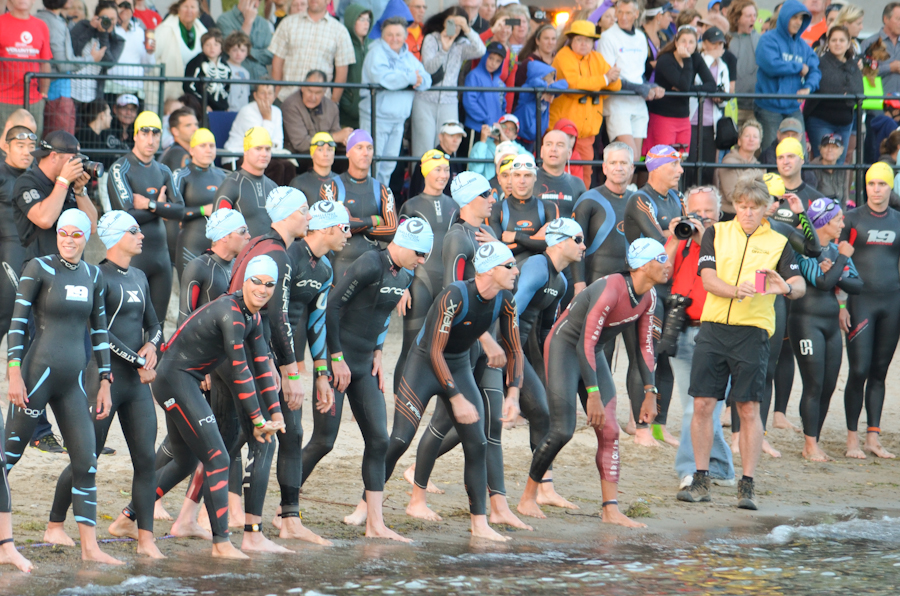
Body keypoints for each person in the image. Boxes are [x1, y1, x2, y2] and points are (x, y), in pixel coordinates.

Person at [344, 241, 521, 542]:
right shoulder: (454, 295)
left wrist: (514, 393)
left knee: (477, 443)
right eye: (509, 265)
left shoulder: (505, 300)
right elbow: (435, 351)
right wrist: (456, 398)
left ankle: (479, 523)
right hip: (424, 365)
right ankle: (365, 504)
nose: (516, 270)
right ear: (490, 270)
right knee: (399, 439)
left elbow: (515, 350)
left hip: (459, 366)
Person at [127, 255, 284, 559]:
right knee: (218, 456)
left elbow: (263, 366)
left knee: (185, 459)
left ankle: (126, 518)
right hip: (174, 379)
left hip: (182, 378)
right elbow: (241, 372)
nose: (262, 289)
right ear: (245, 281)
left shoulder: (253, 316)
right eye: (256, 282)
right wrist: (257, 420)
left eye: (269, 284)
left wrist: (275, 414)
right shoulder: (232, 314)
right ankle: (221, 543)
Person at [517, 238, 667, 525]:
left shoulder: (650, 296)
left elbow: (646, 347)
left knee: (610, 431)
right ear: (643, 266)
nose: (667, 264)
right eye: (661, 259)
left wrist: (650, 391)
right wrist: (593, 394)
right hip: (565, 347)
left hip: (591, 352)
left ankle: (610, 509)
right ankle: (527, 498)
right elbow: (584, 341)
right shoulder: (610, 288)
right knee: (563, 430)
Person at [678, 178, 806, 510]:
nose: (748, 213)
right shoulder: (716, 233)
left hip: (753, 331)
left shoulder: (779, 241)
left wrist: (786, 289)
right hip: (714, 327)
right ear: (735, 206)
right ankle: (701, 478)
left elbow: (799, 283)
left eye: (755, 208)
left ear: (766, 209)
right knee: (703, 405)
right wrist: (735, 291)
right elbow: (707, 279)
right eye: (743, 206)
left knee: (748, 408)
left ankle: (747, 485)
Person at [305, 219, 432, 542]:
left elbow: (384, 314)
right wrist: (334, 359)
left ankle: (375, 523)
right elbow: (331, 309)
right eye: (419, 253)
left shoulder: (404, 275)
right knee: (324, 441)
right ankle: (285, 511)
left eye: (426, 256)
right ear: (402, 243)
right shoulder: (369, 263)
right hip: (339, 363)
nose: (422, 261)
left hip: (364, 367)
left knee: (379, 440)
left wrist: (377, 350)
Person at [5, 209, 120, 564]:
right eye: (63, 234)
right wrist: (12, 373)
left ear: (87, 238)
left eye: (76, 235)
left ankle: (90, 549)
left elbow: (99, 332)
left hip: (72, 384)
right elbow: (17, 322)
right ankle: (4, 545)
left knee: (86, 462)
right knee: (6, 460)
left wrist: (105, 380)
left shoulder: (93, 274)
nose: (68, 241)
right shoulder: (39, 268)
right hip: (35, 378)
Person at [48, 210, 164, 558]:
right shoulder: (96, 275)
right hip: (103, 380)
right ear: (115, 237)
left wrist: (153, 347)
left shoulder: (140, 276)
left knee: (146, 460)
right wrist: (139, 359)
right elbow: (99, 332)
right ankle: (54, 525)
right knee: (88, 458)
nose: (141, 235)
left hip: (137, 386)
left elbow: (155, 324)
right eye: (134, 230)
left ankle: (146, 539)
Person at [269, 200, 348, 539]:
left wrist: (321, 374)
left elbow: (317, 322)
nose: (348, 234)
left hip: (292, 360)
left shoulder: (325, 268)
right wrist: (285, 368)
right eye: (344, 227)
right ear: (327, 228)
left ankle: (289, 519)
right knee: (239, 433)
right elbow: (275, 315)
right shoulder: (290, 257)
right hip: (267, 355)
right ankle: (204, 509)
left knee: (294, 434)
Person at [510, 218, 586, 508]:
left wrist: (549, 373)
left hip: (520, 347)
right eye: (577, 240)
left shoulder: (561, 280)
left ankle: (545, 488)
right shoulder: (536, 267)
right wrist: (511, 355)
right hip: (499, 345)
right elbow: (512, 311)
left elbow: (544, 333)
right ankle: (417, 473)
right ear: (559, 241)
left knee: (543, 414)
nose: (583, 246)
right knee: (461, 421)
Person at [664, 186, 735, 490]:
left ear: (719, 214)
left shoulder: (729, 239)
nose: (702, 217)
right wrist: (674, 238)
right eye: (696, 212)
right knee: (696, 406)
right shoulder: (680, 237)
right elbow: (660, 272)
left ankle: (692, 469)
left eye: (708, 212)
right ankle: (718, 467)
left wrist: (704, 236)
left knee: (705, 407)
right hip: (682, 327)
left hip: (717, 330)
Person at [623, 145, 685, 447]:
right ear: (657, 167)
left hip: (671, 287)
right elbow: (660, 244)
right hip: (646, 289)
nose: (681, 171)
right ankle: (640, 427)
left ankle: (659, 425)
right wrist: (673, 232)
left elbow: (681, 236)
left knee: (664, 358)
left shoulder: (677, 198)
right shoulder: (640, 199)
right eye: (675, 165)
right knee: (644, 357)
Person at [791, 198, 861, 462]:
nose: (843, 224)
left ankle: (814, 440)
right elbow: (821, 283)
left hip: (831, 325)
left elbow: (858, 285)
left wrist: (837, 270)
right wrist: (843, 258)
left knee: (829, 385)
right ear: (822, 222)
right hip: (806, 322)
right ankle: (809, 445)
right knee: (814, 383)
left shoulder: (834, 249)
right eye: (838, 220)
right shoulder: (805, 250)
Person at [839, 163, 900, 460]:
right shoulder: (852, 219)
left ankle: (872, 438)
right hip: (860, 302)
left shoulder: (899, 221)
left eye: (882, 184)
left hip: (892, 304)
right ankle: (852, 439)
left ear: (891, 187)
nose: (876, 189)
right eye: (871, 184)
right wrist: (840, 305)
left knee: (879, 372)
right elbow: (837, 265)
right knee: (859, 370)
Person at [108, 110, 184, 329]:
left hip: (161, 260)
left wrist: (150, 205)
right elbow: (126, 216)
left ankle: (154, 364)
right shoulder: (120, 168)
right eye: (145, 133)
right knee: (128, 327)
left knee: (156, 330)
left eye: (156, 134)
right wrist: (161, 208)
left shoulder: (164, 170)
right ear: (135, 135)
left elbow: (179, 210)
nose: (150, 140)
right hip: (132, 260)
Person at [548, 20, 621, 188]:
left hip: (587, 134)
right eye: (579, 39)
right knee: (558, 171)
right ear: (571, 40)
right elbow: (574, 84)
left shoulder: (597, 57)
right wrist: (604, 79)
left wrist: (609, 78)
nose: (583, 44)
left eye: (588, 40)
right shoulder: (563, 56)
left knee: (585, 174)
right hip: (562, 133)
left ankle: (582, 209)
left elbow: (616, 84)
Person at [360, 16, 432, 186]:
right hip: (375, 119)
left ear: (405, 35)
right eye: (389, 34)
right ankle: (366, 205)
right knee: (369, 165)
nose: (394, 39)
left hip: (398, 121)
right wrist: (410, 78)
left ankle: (379, 204)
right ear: (382, 36)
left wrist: (413, 79)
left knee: (388, 167)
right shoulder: (375, 53)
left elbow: (426, 80)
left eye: (398, 34)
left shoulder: (408, 57)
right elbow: (384, 79)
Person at [412, 6, 486, 160]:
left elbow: (481, 50)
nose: (454, 28)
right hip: (425, 101)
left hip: (449, 102)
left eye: (458, 24)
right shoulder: (432, 38)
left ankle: (444, 183)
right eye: (451, 23)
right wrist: (443, 50)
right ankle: (419, 183)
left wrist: (467, 29)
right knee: (423, 150)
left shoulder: (462, 43)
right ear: (444, 22)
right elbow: (429, 68)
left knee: (447, 149)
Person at [13, 130, 99, 264]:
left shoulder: (71, 183)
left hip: (73, 269)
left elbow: (92, 227)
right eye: (73, 159)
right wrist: (64, 181)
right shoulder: (26, 182)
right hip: (41, 269)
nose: (78, 163)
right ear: (53, 156)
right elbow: (45, 219)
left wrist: (80, 190)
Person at [326, 130, 398, 280]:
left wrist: (352, 223)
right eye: (359, 147)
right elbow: (332, 226)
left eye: (369, 148)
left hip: (373, 265)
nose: (365, 153)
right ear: (348, 152)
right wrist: (375, 220)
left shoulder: (383, 190)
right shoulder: (332, 187)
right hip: (340, 264)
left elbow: (392, 231)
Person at [598, 0, 665, 159]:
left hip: (638, 104)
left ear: (636, 14)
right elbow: (611, 77)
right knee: (629, 157)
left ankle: (630, 185)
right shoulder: (607, 37)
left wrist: (652, 86)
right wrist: (642, 89)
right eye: (620, 12)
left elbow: (638, 74)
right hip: (617, 104)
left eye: (628, 13)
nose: (623, 17)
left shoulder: (641, 37)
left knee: (635, 161)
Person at [754, 0, 821, 150]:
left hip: (793, 107)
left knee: (799, 153)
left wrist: (808, 87)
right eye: (794, 17)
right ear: (784, 17)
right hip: (769, 106)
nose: (798, 22)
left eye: (801, 18)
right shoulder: (767, 39)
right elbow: (771, 65)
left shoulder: (803, 46)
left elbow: (815, 70)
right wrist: (798, 67)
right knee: (770, 154)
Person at [572, 142, 635, 291]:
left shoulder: (638, 201)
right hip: (595, 283)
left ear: (632, 168)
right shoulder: (589, 200)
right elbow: (574, 245)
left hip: (631, 285)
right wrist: (578, 283)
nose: (618, 168)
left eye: (623, 163)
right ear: (605, 168)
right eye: (613, 163)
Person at [645, 26, 716, 157]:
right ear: (676, 42)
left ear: (696, 44)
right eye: (683, 41)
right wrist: (687, 60)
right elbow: (683, 86)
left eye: (691, 42)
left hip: (683, 118)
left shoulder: (696, 58)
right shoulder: (666, 60)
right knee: (664, 159)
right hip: (663, 117)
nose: (687, 45)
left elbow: (711, 85)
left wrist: (690, 89)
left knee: (681, 159)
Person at [268, 0, 355, 105]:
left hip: (321, 103)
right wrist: (276, 95)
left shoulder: (340, 31)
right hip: (287, 99)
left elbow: (342, 72)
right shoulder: (287, 23)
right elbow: (277, 62)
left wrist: (333, 103)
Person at [802, 24, 863, 164]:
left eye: (842, 40)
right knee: (822, 161)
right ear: (828, 43)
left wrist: (845, 92)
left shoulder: (854, 65)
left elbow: (859, 92)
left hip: (845, 122)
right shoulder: (820, 63)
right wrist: (844, 92)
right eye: (834, 40)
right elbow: (824, 87)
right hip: (821, 120)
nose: (837, 43)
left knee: (839, 164)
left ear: (849, 44)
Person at [0, 123, 34, 353]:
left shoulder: (36, 177)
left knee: (29, 325)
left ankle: (20, 384)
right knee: (4, 318)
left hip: (32, 257)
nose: (26, 152)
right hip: (8, 256)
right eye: (20, 145)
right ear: (6, 146)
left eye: (31, 147)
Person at [173, 128, 225, 278]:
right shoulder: (182, 175)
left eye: (212, 146)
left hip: (219, 248)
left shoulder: (221, 176)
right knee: (190, 298)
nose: (208, 150)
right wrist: (203, 210)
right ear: (191, 150)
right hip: (191, 245)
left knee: (216, 297)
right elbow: (173, 212)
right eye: (203, 146)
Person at [488, 154, 559, 264]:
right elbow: (496, 253)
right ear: (511, 178)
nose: (522, 181)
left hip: (542, 273)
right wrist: (535, 239)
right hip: (508, 275)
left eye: (527, 175)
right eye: (517, 175)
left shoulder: (549, 207)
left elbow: (553, 244)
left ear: (535, 177)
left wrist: (516, 236)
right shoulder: (496, 209)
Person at [686, 26, 731, 187]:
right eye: (714, 43)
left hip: (711, 123)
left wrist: (720, 98)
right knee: (689, 162)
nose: (718, 48)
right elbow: (694, 84)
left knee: (706, 165)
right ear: (704, 44)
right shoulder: (695, 60)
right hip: (691, 119)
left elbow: (726, 97)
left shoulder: (723, 67)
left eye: (721, 44)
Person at [223, 83, 293, 185]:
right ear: (255, 95)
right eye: (262, 93)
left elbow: (278, 142)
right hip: (237, 156)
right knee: (277, 166)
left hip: (265, 155)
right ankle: (269, 200)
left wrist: (271, 144)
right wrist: (267, 118)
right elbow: (259, 141)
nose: (266, 97)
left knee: (289, 166)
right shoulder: (247, 111)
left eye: (269, 93)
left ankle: (285, 200)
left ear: (274, 96)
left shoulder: (277, 111)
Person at [214, 126, 278, 237]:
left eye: (267, 149)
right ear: (246, 151)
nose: (264, 154)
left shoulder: (273, 187)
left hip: (270, 252)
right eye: (258, 148)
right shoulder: (231, 185)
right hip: (243, 253)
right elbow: (218, 230)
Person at [36, 0, 88, 137]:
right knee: (61, 144)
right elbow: (63, 64)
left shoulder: (39, 18)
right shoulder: (55, 24)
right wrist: (91, 59)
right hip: (58, 94)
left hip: (47, 91)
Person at [0, 0, 52, 133]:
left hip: (33, 100)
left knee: (31, 146)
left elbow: (45, 63)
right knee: (4, 147)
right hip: (3, 99)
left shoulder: (41, 26)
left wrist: (44, 95)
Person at [282, 71, 353, 154]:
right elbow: (301, 144)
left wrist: (345, 138)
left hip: (326, 154)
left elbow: (337, 139)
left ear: (324, 91)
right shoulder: (291, 105)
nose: (313, 97)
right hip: (300, 155)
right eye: (309, 91)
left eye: (318, 93)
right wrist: (334, 137)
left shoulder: (332, 107)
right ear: (302, 87)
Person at [154, 0, 207, 102]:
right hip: (166, 90)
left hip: (192, 93)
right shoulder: (164, 29)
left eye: (193, 7)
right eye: (185, 6)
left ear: (199, 11)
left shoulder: (203, 31)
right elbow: (152, 58)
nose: (189, 11)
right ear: (178, 8)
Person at [104, 1, 155, 104]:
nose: (125, 9)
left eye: (128, 5)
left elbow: (148, 68)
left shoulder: (140, 31)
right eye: (120, 5)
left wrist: (149, 53)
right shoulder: (107, 30)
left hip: (135, 91)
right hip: (111, 90)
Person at [714, 120, 765, 217]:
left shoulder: (760, 167)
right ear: (739, 141)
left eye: (755, 137)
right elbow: (731, 196)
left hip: (753, 214)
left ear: (759, 144)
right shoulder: (728, 162)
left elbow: (764, 195)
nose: (751, 139)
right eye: (747, 136)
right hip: (730, 214)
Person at [463, 41, 508, 148]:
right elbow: (469, 102)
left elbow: (503, 105)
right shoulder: (474, 75)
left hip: (493, 131)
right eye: (491, 58)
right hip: (475, 128)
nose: (493, 63)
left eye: (498, 61)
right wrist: (486, 118)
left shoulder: (500, 83)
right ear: (485, 57)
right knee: (472, 161)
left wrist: (499, 123)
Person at [216, 0, 274, 81]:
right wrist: (248, 22)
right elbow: (229, 49)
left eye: (259, 1)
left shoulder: (263, 23)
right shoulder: (224, 20)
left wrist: (248, 51)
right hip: (236, 81)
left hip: (261, 83)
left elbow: (270, 55)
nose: (256, 5)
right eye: (252, 1)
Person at [536, 131, 587, 219]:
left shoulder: (578, 185)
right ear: (541, 151)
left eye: (560, 145)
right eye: (549, 144)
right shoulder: (528, 180)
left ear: (569, 153)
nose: (553, 149)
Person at [408, 122, 467, 198]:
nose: (455, 140)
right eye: (451, 135)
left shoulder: (456, 161)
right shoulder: (430, 158)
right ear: (440, 137)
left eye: (459, 136)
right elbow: (420, 189)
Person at [340, 4, 373, 131]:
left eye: (368, 20)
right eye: (361, 19)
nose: (366, 24)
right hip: (347, 115)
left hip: (370, 112)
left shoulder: (373, 45)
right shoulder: (343, 43)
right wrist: (348, 104)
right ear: (351, 20)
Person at [289, 132, 346, 205]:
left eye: (329, 150)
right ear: (312, 153)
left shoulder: (343, 182)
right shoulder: (299, 183)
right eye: (320, 150)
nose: (326, 154)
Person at [760, 118, 818, 189]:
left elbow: (810, 181)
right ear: (778, 135)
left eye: (794, 135)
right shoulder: (769, 154)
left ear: (801, 137)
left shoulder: (800, 152)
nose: (790, 137)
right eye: (786, 134)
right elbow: (777, 183)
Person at [183, 29, 232, 112]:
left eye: (216, 45)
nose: (212, 48)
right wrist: (202, 105)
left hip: (221, 109)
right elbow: (188, 87)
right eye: (208, 45)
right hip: (202, 108)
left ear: (221, 48)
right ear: (202, 47)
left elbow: (226, 88)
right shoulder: (195, 62)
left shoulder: (225, 66)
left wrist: (225, 105)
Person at [729, 0, 761, 125]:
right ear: (737, 18)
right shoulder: (727, 40)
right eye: (748, 16)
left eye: (754, 15)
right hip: (733, 106)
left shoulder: (761, 40)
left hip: (756, 106)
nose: (753, 19)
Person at [513, 23, 558, 107]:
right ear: (537, 41)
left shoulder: (559, 59)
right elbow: (518, 92)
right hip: (532, 111)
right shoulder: (528, 62)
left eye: (553, 39)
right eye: (546, 38)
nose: (550, 42)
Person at [860, 4, 900, 97]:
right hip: (877, 102)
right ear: (886, 19)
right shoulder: (869, 43)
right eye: (898, 19)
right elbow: (862, 73)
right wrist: (889, 67)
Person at [810, 133, 849, 206]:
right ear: (820, 149)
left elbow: (844, 199)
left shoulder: (843, 169)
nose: (830, 150)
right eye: (826, 146)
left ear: (841, 151)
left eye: (834, 147)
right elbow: (811, 198)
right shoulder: (812, 168)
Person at [159, 107, 199, 174]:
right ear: (175, 131)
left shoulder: (175, 150)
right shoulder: (177, 153)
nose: (195, 129)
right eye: (188, 125)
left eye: (196, 124)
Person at [223, 32, 252, 113]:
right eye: (235, 50)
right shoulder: (224, 68)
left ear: (247, 53)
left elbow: (246, 94)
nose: (238, 54)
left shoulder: (246, 72)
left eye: (242, 50)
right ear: (228, 50)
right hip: (228, 110)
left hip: (243, 111)